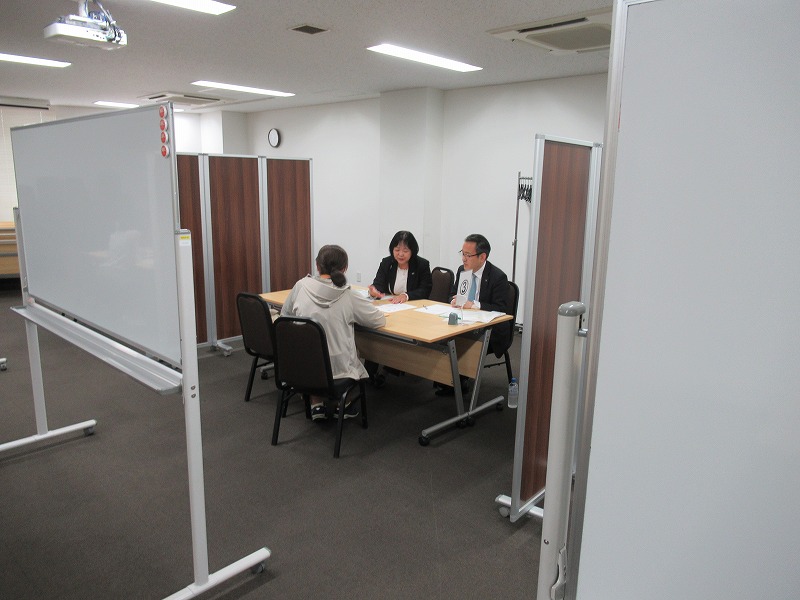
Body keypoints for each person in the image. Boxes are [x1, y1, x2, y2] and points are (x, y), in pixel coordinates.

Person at [281, 244, 386, 421]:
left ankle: (316, 403)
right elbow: (378, 320)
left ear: (317, 265)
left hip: (302, 367)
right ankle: (342, 404)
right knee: (344, 352)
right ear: (345, 269)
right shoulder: (348, 295)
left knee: (315, 353)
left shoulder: (301, 286)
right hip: (338, 370)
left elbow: (285, 316)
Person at [436, 233, 512, 396]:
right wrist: (453, 300)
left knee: (460, 340)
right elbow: (451, 294)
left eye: (468, 255)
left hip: (490, 330)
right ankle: (447, 377)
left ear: (482, 257)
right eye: (462, 253)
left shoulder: (498, 277)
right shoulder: (462, 270)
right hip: (463, 322)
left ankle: (458, 379)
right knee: (440, 333)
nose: (463, 259)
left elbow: (500, 309)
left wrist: (474, 305)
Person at [368, 230, 432, 303]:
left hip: (414, 304)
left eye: (405, 251)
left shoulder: (422, 265)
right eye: (397, 250)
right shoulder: (386, 263)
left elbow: (425, 290)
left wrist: (406, 296)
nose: (401, 254)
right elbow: (379, 284)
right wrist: (374, 292)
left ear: (412, 251)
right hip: (390, 303)